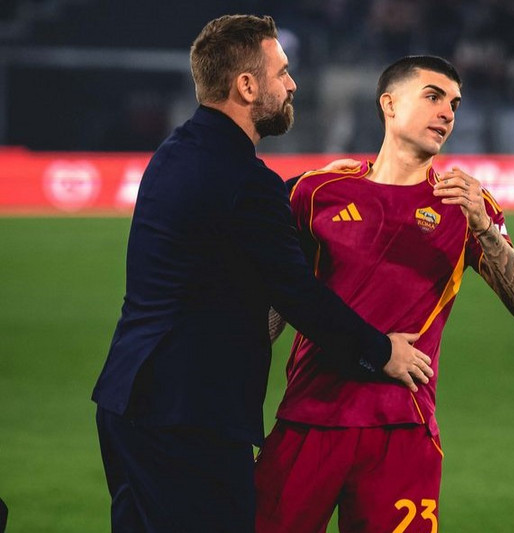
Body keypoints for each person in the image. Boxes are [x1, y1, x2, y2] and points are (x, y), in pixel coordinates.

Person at [91, 15, 430, 533]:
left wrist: (298, 187)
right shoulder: (246, 182)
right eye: (282, 73)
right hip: (190, 418)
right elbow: (298, 295)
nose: (292, 85)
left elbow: (225, 216)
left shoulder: (176, 152)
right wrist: (383, 351)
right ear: (247, 86)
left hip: (127, 401)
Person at [255, 55, 514, 532]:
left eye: (454, 104)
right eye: (433, 97)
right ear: (389, 104)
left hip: (402, 425)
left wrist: (483, 227)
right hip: (309, 416)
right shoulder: (318, 192)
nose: (447, 112)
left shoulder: (465, 204)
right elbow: (278, 303)